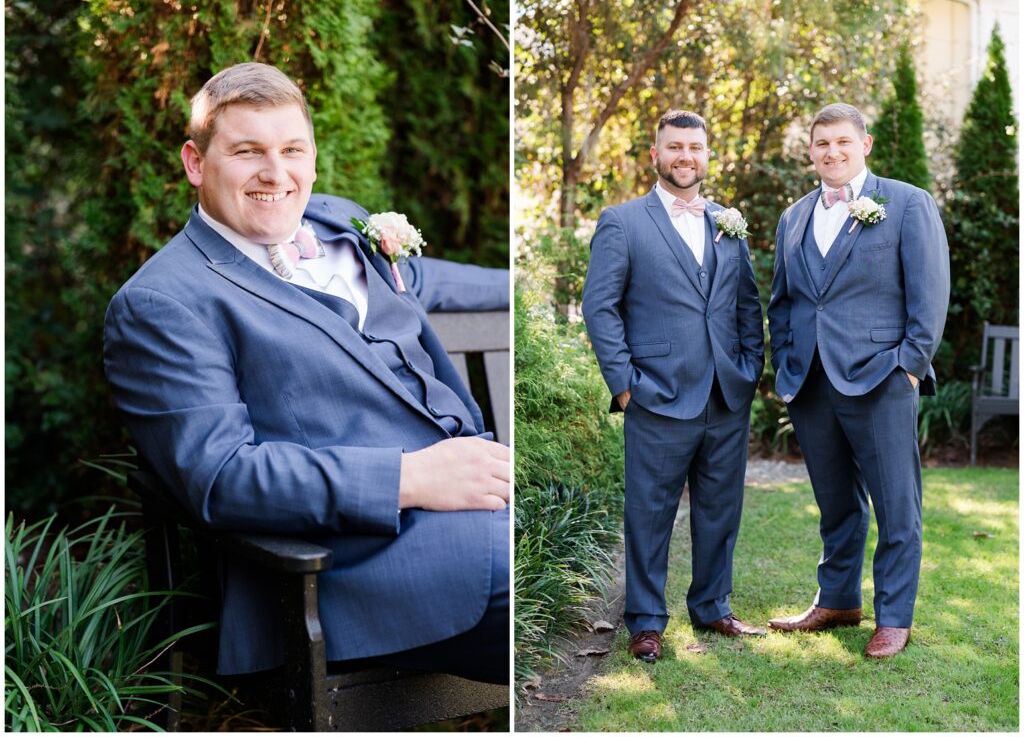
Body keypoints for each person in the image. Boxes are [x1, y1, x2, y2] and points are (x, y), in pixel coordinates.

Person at [103, 62, 510, 684]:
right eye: (247, 151)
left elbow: (422, 281)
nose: (276, 173)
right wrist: (411, 478)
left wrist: (526, 284)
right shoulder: (162, 302)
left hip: (484, 493)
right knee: (537, 581)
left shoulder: (335, 220)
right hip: (359, 562)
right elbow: (221, 476)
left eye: (292, 149)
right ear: (195, 162)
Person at [766, 102, 949, 658]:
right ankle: (839, 599)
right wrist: (788, 363)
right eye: (822, 144)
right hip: (812, 384)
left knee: (897, 504)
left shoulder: (907, 203)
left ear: (864, 145)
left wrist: (910, 366)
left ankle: (894, 616)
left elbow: (930, 293)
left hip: (882, 377)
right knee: (836, 502)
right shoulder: (793, 216)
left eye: (843, 142)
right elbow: (783, 301)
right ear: (811, 152)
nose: (833, 152)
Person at [582, 110, 765, 663]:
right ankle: (644, 621)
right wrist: (623, 386)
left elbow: (745, 305)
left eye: (696, 147)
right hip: (655, 394)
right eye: (675, 147)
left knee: (720, 509)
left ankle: (712, 606)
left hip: (725, 396)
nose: (686, 156)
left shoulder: (728, 222)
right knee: (649, 512)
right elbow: (600, 306)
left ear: (708, 155)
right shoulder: (623, 222)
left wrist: (748, 369)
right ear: (655, 154)